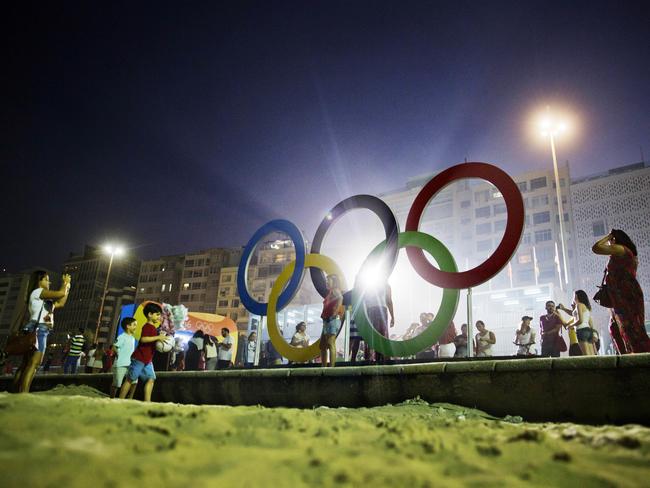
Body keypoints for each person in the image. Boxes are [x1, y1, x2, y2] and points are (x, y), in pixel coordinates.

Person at [592, 229, 650, 353]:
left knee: (632, 330)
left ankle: (641, 358)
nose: (608, 243)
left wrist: (608, 236)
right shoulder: (621, 252)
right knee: (616, 328)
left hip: (626, 295)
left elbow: (596, 248)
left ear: (615, 239)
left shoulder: (621, 249)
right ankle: (627, 358)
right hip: (619, 297)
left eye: (611, 240)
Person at [13, 270, 71, 393]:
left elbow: (60, 303)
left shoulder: (45, 302)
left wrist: (68, 287)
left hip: (34, 328)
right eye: (46, 279)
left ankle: (15, 391)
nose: (49, 282)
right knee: (34, 363)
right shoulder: (38, 292)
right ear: (39, 281)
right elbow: (60, 293)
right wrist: (64, 283)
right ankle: (23, 393)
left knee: (26, 364)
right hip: (40, 329)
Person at [119, 303, 167, 402]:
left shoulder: (153, 327)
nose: (159, 317)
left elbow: (151, 341)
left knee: (151, 379)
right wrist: (158, 337)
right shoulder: (147, 326)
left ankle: (147, 402)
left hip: (148, 360)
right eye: (157, 314)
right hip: (139, 358)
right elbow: (143, 339)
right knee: (130, 379)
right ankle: (120, 400)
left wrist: (160, 339)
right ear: (150, 314)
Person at [555, 291, 596, 356]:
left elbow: (580, 320)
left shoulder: (578, 305)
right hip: (587, 331)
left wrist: (570, 325)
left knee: (586, 355)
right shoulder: (585, 306)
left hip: (581, 331)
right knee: (591, 354)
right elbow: (573, 313)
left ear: (576, 296)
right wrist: (563, 309)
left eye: (574, 296)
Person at [363, 282, 394, 363]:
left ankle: (370, 358)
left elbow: (365, 301)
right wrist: (393, 317)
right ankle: (383, 358)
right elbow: (389, 301)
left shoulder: (369, 285)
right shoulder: (386, 285)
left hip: (370, 311)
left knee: (372, 335)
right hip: (381, 310)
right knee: (382, 334)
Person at [320, 274, 343, 367]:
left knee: (330, 343)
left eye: (328, 280)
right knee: (322, 345)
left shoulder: (335, 290)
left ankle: (331, 368)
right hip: (327, 320)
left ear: (334, 281)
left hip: (332, 320)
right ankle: (324, 366)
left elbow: (340, 298)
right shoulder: (330, 292)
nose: (326, 282)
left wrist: (336, 312)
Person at [111, 317, 138, 399]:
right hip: (120, 364)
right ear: (128, 326)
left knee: (134, 382)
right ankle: (111, 398)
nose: (136, 327)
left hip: (130, 364)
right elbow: (114, 347)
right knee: (117, 384)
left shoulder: (133, 338)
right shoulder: (122, 336)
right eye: (134, 325)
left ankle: (130, 398)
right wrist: (118, 354)